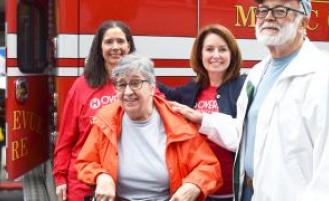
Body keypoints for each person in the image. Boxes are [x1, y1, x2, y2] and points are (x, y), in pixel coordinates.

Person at [169, 0, 329, 201]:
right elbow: (246, 134)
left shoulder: (321, 76)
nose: (269, 16)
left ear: (303, 22)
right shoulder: (258, 73)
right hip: (248, 192)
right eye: (263, 10)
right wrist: (203, 119)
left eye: (281, 10)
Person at [75, 54, 223, 201]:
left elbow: (209, 166)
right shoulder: (106, 120)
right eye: (121, 84)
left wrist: (193, 185)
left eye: (135, 83)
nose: (127, 92)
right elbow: (85, 162)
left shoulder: (176, 123)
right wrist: (101, 176)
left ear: (152, 87)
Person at [159, 24, 246, 201]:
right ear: (200, 54)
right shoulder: (191, 90)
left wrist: (201, 118)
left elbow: (245, 136)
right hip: (200, 190)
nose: (216, 55)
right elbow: (161, 93)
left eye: (223, 49)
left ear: (232, 54)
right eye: (209, 49)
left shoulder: (244, 87)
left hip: (235, 192)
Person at [53, 20, 136, 201]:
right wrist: (60, 176)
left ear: (129, 46)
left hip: (127, 185)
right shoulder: (82, 86)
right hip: (84, 184)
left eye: (121, 41)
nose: (115, 47)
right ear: (99, 47)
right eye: (108, 42)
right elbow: (66, 137)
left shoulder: (141, 83)